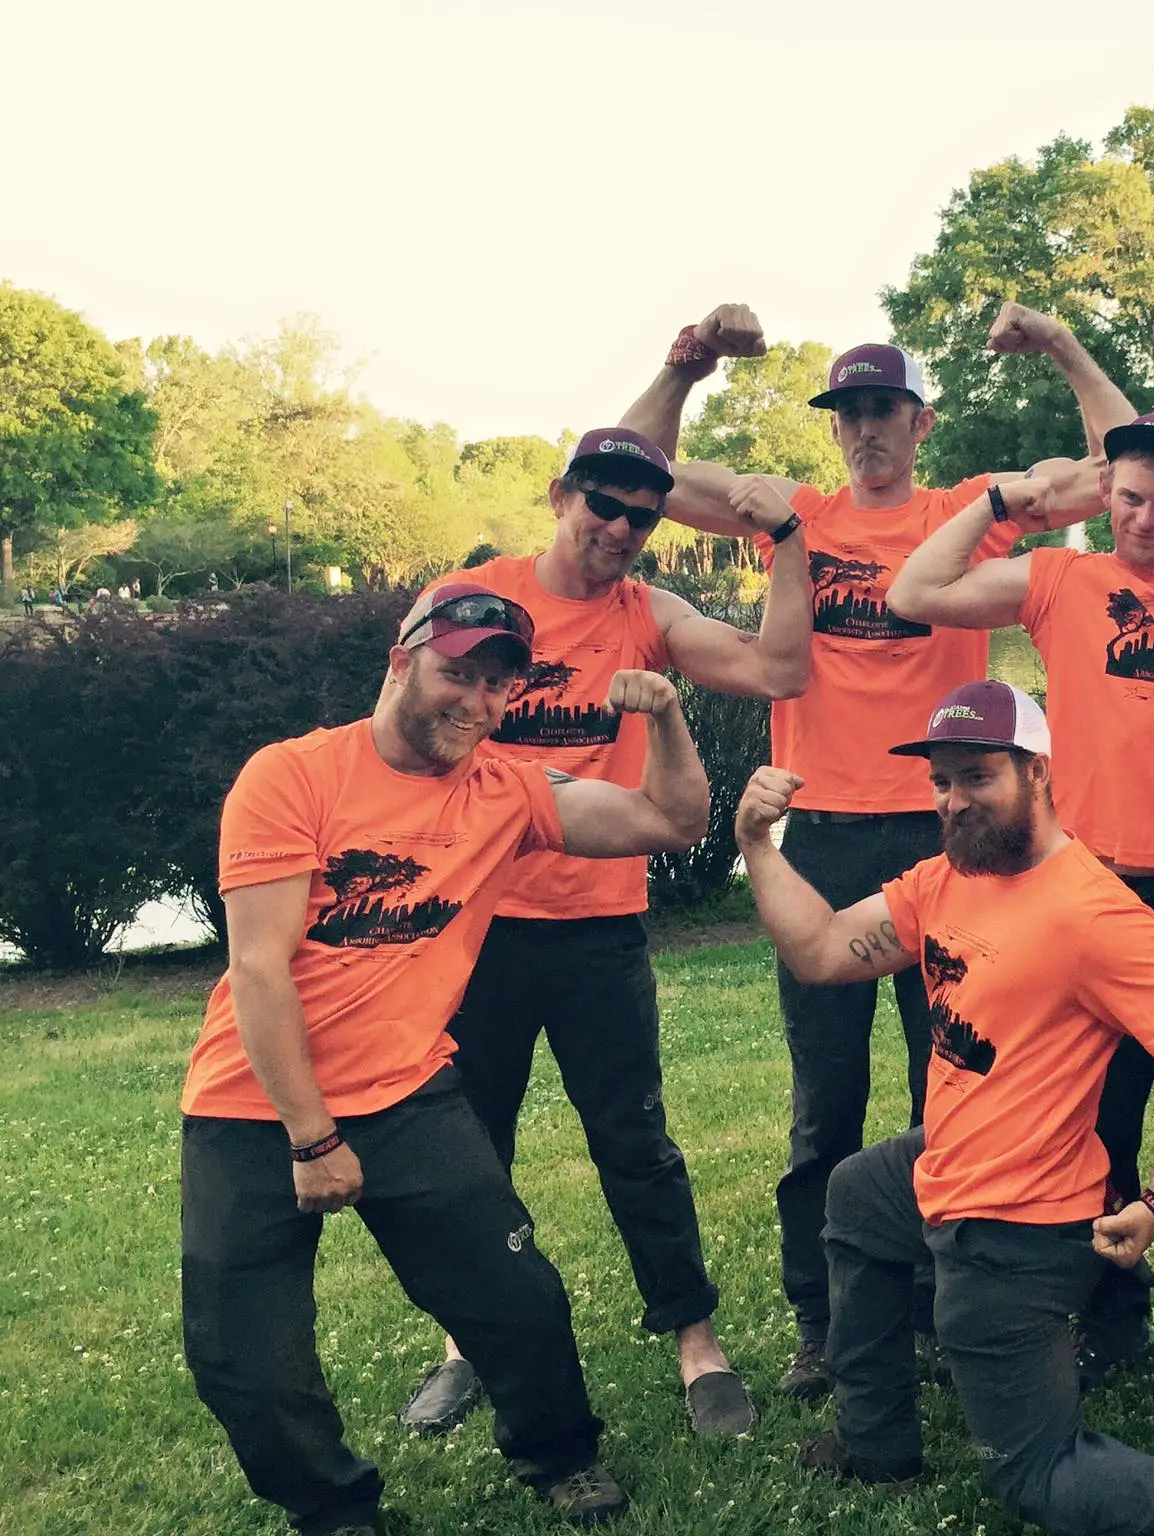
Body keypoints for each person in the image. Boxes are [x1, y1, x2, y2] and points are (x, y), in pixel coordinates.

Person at [647, 307, 1124, 1396]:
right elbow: (647, 474)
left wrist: (1063, 348)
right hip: (819, 835)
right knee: (824, 1102)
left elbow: (1114, 475)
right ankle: (822, 1317)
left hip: (943, 835)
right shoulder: (798, 516)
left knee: (944, 1088)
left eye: (884, 410)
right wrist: (686, 366)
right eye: (850, 411)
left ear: (920, 422)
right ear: (834, 427)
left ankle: (934, 1303)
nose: (865, 428)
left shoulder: (964, 513)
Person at [179, 578, 715, 1533]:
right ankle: (333, 1508)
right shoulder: (292, 776)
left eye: (498, 685)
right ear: (401, 661)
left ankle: (560, 1456)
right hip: (253, 1106)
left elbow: (672, 822)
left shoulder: (507, 791)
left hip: (406, 1095)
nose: (477, 701)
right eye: (457, 674)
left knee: (517, 1299)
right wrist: (312, 1138)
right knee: (242, 1355)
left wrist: (668, 717)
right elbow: (258, 969)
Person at [734, 679, 1154, 1536]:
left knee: (1037, 1474)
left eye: (977, 776)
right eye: (942, 781)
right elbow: (821, 950)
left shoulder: (1092, 910)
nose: (953, 800)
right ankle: (876, 1440)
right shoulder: (947, 880)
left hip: (1016, 1223)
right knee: (856, 1197)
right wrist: (758, 845)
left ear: (1037, 772)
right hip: (946, 1164)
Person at [396, 305, 802, 1441]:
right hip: (471, 926)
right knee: (470, 1143)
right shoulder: (472, 600)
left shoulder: (648, 615)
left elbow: (778, 669)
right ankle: (468, 1342)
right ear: (558, 498)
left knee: (634, 1142)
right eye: (601, 506)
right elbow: (404, 738)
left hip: (596, 927)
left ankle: (696, 1343)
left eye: (640, 514)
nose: (620, 526)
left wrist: (789, 541)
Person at [890, 403, 1154, 1416]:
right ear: (1105, 494)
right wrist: (997, 501)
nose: (1144, 521)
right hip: (1091, 895)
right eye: (1129, 499)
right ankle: (1108, 1313)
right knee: (1094, 1120)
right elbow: (913, 589)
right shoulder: (1061, 581)